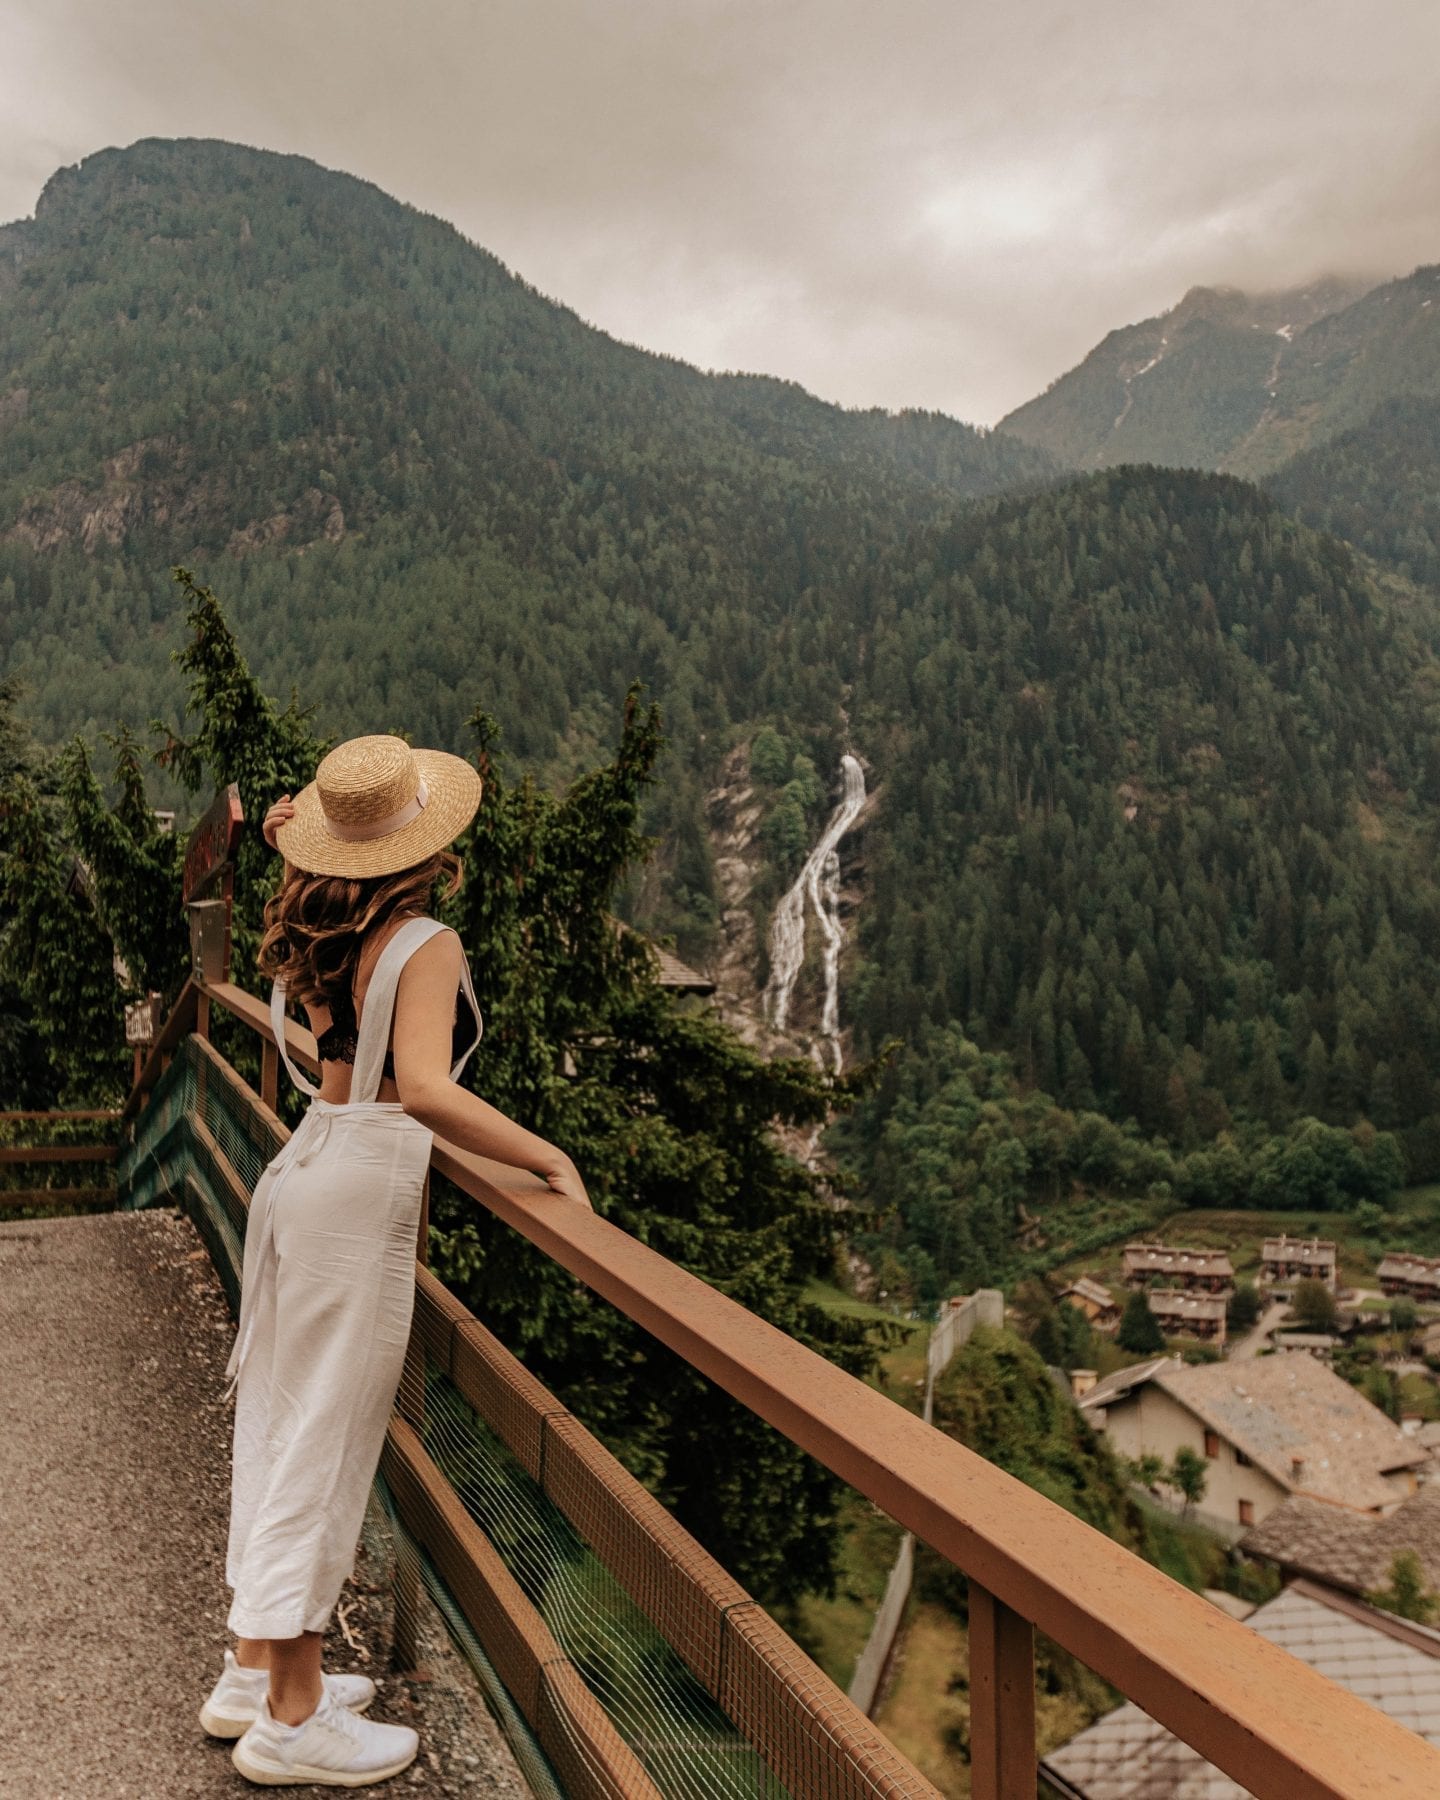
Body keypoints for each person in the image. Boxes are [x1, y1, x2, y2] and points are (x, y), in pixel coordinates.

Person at [200, 733, 591, 1788]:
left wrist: (286, 840)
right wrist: (547, 1154)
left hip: (305, 1170)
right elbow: (423, 1087)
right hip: (358, 1194)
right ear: (426, 841)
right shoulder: (422, 940)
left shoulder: (324, 912)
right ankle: (291, 1718)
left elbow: (346, 1026)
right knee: (323, 1445)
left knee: (280, 1420)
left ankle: (253, 1668)